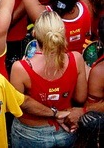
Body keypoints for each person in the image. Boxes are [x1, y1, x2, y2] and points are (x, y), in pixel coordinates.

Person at [9, 11, 87, 147]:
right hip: (66, 130)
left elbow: (16, 105)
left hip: (30, 134)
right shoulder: (77, 58)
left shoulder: (20, 68)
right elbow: (80, 98)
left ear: (34, 34)